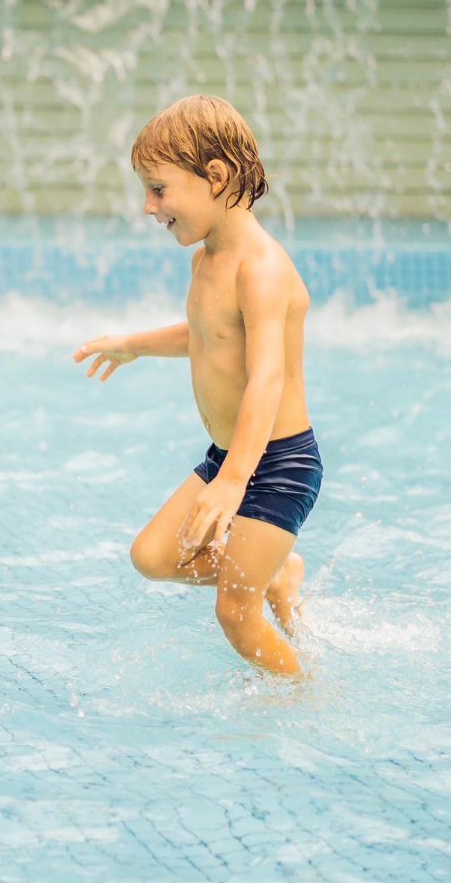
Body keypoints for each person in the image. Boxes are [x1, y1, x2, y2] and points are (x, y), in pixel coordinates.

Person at [72, 95, 322, 676]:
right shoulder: (207, 259)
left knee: (235, 613)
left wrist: (235, 482)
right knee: (153, 556)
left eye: (158, 189)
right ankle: (278, 570)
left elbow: (267, 375)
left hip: (277, 461)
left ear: (216, 177)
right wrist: (134, 344)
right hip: (229, 454)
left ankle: (306, 692)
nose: (147, 206)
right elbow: (207, 334)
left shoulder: (260, 268)